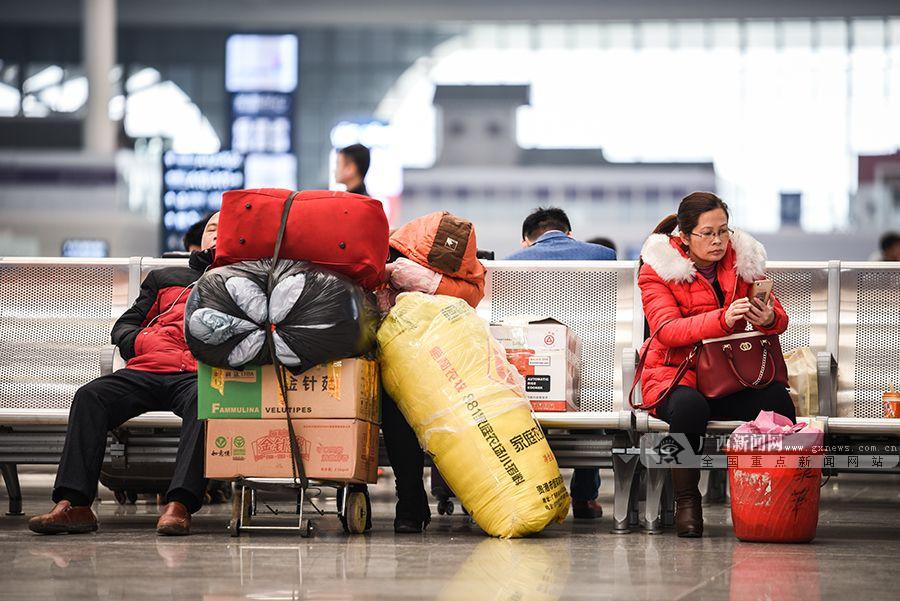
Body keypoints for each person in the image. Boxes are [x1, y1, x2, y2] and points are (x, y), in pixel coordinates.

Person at [28, 213, 221, 537]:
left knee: (207, 399)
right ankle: (73, 504)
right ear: (201, 238)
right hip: (148, 368)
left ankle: (180, 505)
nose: (217, 235)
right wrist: (144, 341)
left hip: (195, 375)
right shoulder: (167, 278)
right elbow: (125, 326)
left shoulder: (243, 282)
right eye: (212, 229)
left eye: (227, 230)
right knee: (91, 396)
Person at [637, 192, 795, 538]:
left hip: (729, 376)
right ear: (684, 236)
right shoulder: (656, 271)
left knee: (778, 401)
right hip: (674, 375)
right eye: (707, 233)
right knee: (689, 408)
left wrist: (769, 317)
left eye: (723, 231)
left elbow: (778, 316)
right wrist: (722, 320)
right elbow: (667, 330)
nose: (718, 241)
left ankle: (776, 496)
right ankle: (687, 501)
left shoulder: (743, 264)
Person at [378, 211, 486, 533]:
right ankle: (410, 499)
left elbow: (471, 295)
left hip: (443, 362)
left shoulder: (401, 266)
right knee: (399, 398)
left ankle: (410, 502)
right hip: (405, 362)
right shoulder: (388, 255)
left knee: (401, 402)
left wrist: (416, 277)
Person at [505, 207, 615, 520]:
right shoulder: (605, 257)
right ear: (569, 234)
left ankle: (527, 493)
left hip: (528, 379)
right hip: (592, 378)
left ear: (526, 241)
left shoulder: (509, 264)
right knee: (594, 394)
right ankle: (583, 497)